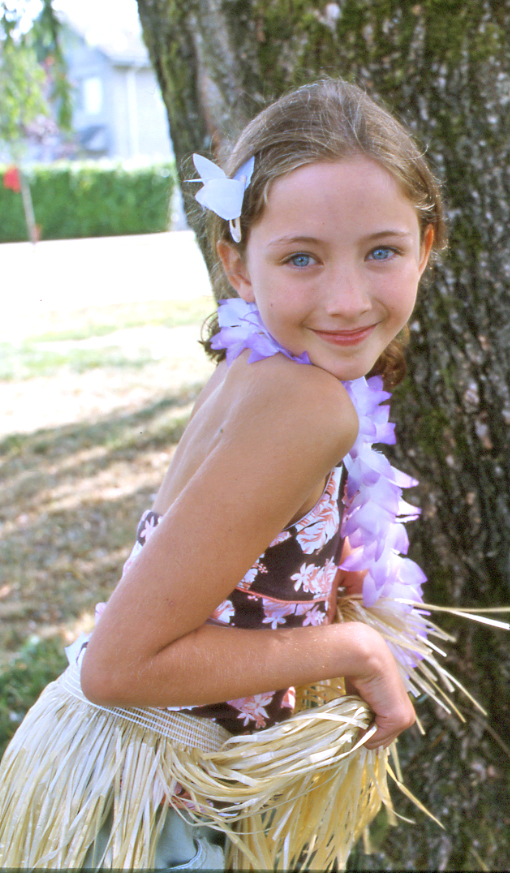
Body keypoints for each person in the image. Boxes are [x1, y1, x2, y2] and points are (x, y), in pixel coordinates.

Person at [0, 78, 446, 869]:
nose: (347, 298)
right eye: (301, 257)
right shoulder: (308, 404)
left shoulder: (259, 368)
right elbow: (118, 665)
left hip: (122, 780)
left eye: (380, 250)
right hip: (148, 812)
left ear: (426, 245)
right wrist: (353, 648)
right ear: (238, 266)